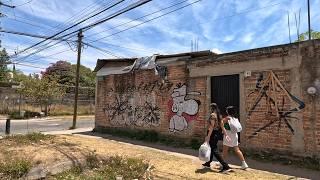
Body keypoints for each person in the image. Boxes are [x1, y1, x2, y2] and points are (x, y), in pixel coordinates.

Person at [202, 103, 231, 172]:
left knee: (214, 150)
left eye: (210, 108)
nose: (209, 109)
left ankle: (225, 166)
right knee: (212, 149)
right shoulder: (219, 116)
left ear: (212, 108)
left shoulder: (213, 115)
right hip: (217, 134)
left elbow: (211, 127)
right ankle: (208, 163)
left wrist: (208, 137)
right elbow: (222, 126)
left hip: (212, 134)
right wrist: (226, 135)